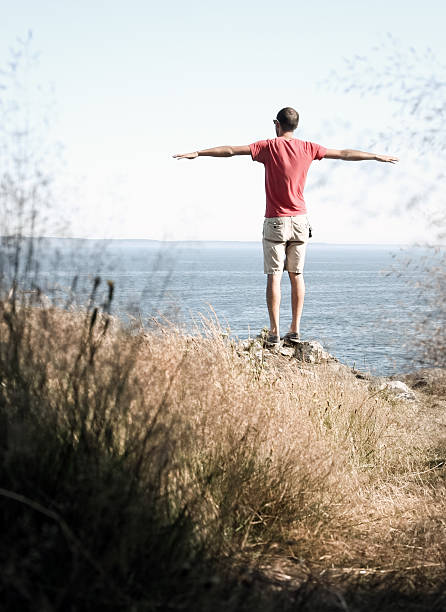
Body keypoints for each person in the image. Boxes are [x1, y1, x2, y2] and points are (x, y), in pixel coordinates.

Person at [173, 107, 398, 347]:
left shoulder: (268, 147)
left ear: (276, 124)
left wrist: (198, 153)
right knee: (297, 275)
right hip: (300, 221)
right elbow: (344, 153)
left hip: (276, 221)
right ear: (296, 125)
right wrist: (375, 156)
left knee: (274, 277)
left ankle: (274, 332)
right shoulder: (308, 148)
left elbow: (230, 150)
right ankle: (295, 329)